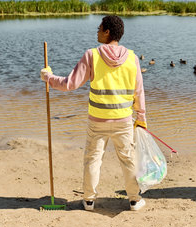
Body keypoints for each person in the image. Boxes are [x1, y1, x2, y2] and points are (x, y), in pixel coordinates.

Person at [40, 15, 147, 211]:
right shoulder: (132, 58)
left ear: (107, 32)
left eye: (99, 28)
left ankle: (89, 200)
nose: (97, 31)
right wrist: (141, 119)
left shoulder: (92, 55)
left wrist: (49, 77)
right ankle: (134, 199)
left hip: (98, 120)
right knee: (128, 159)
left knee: (93, 158)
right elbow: (138, 92)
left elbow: (69, 84)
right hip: (123, 120)